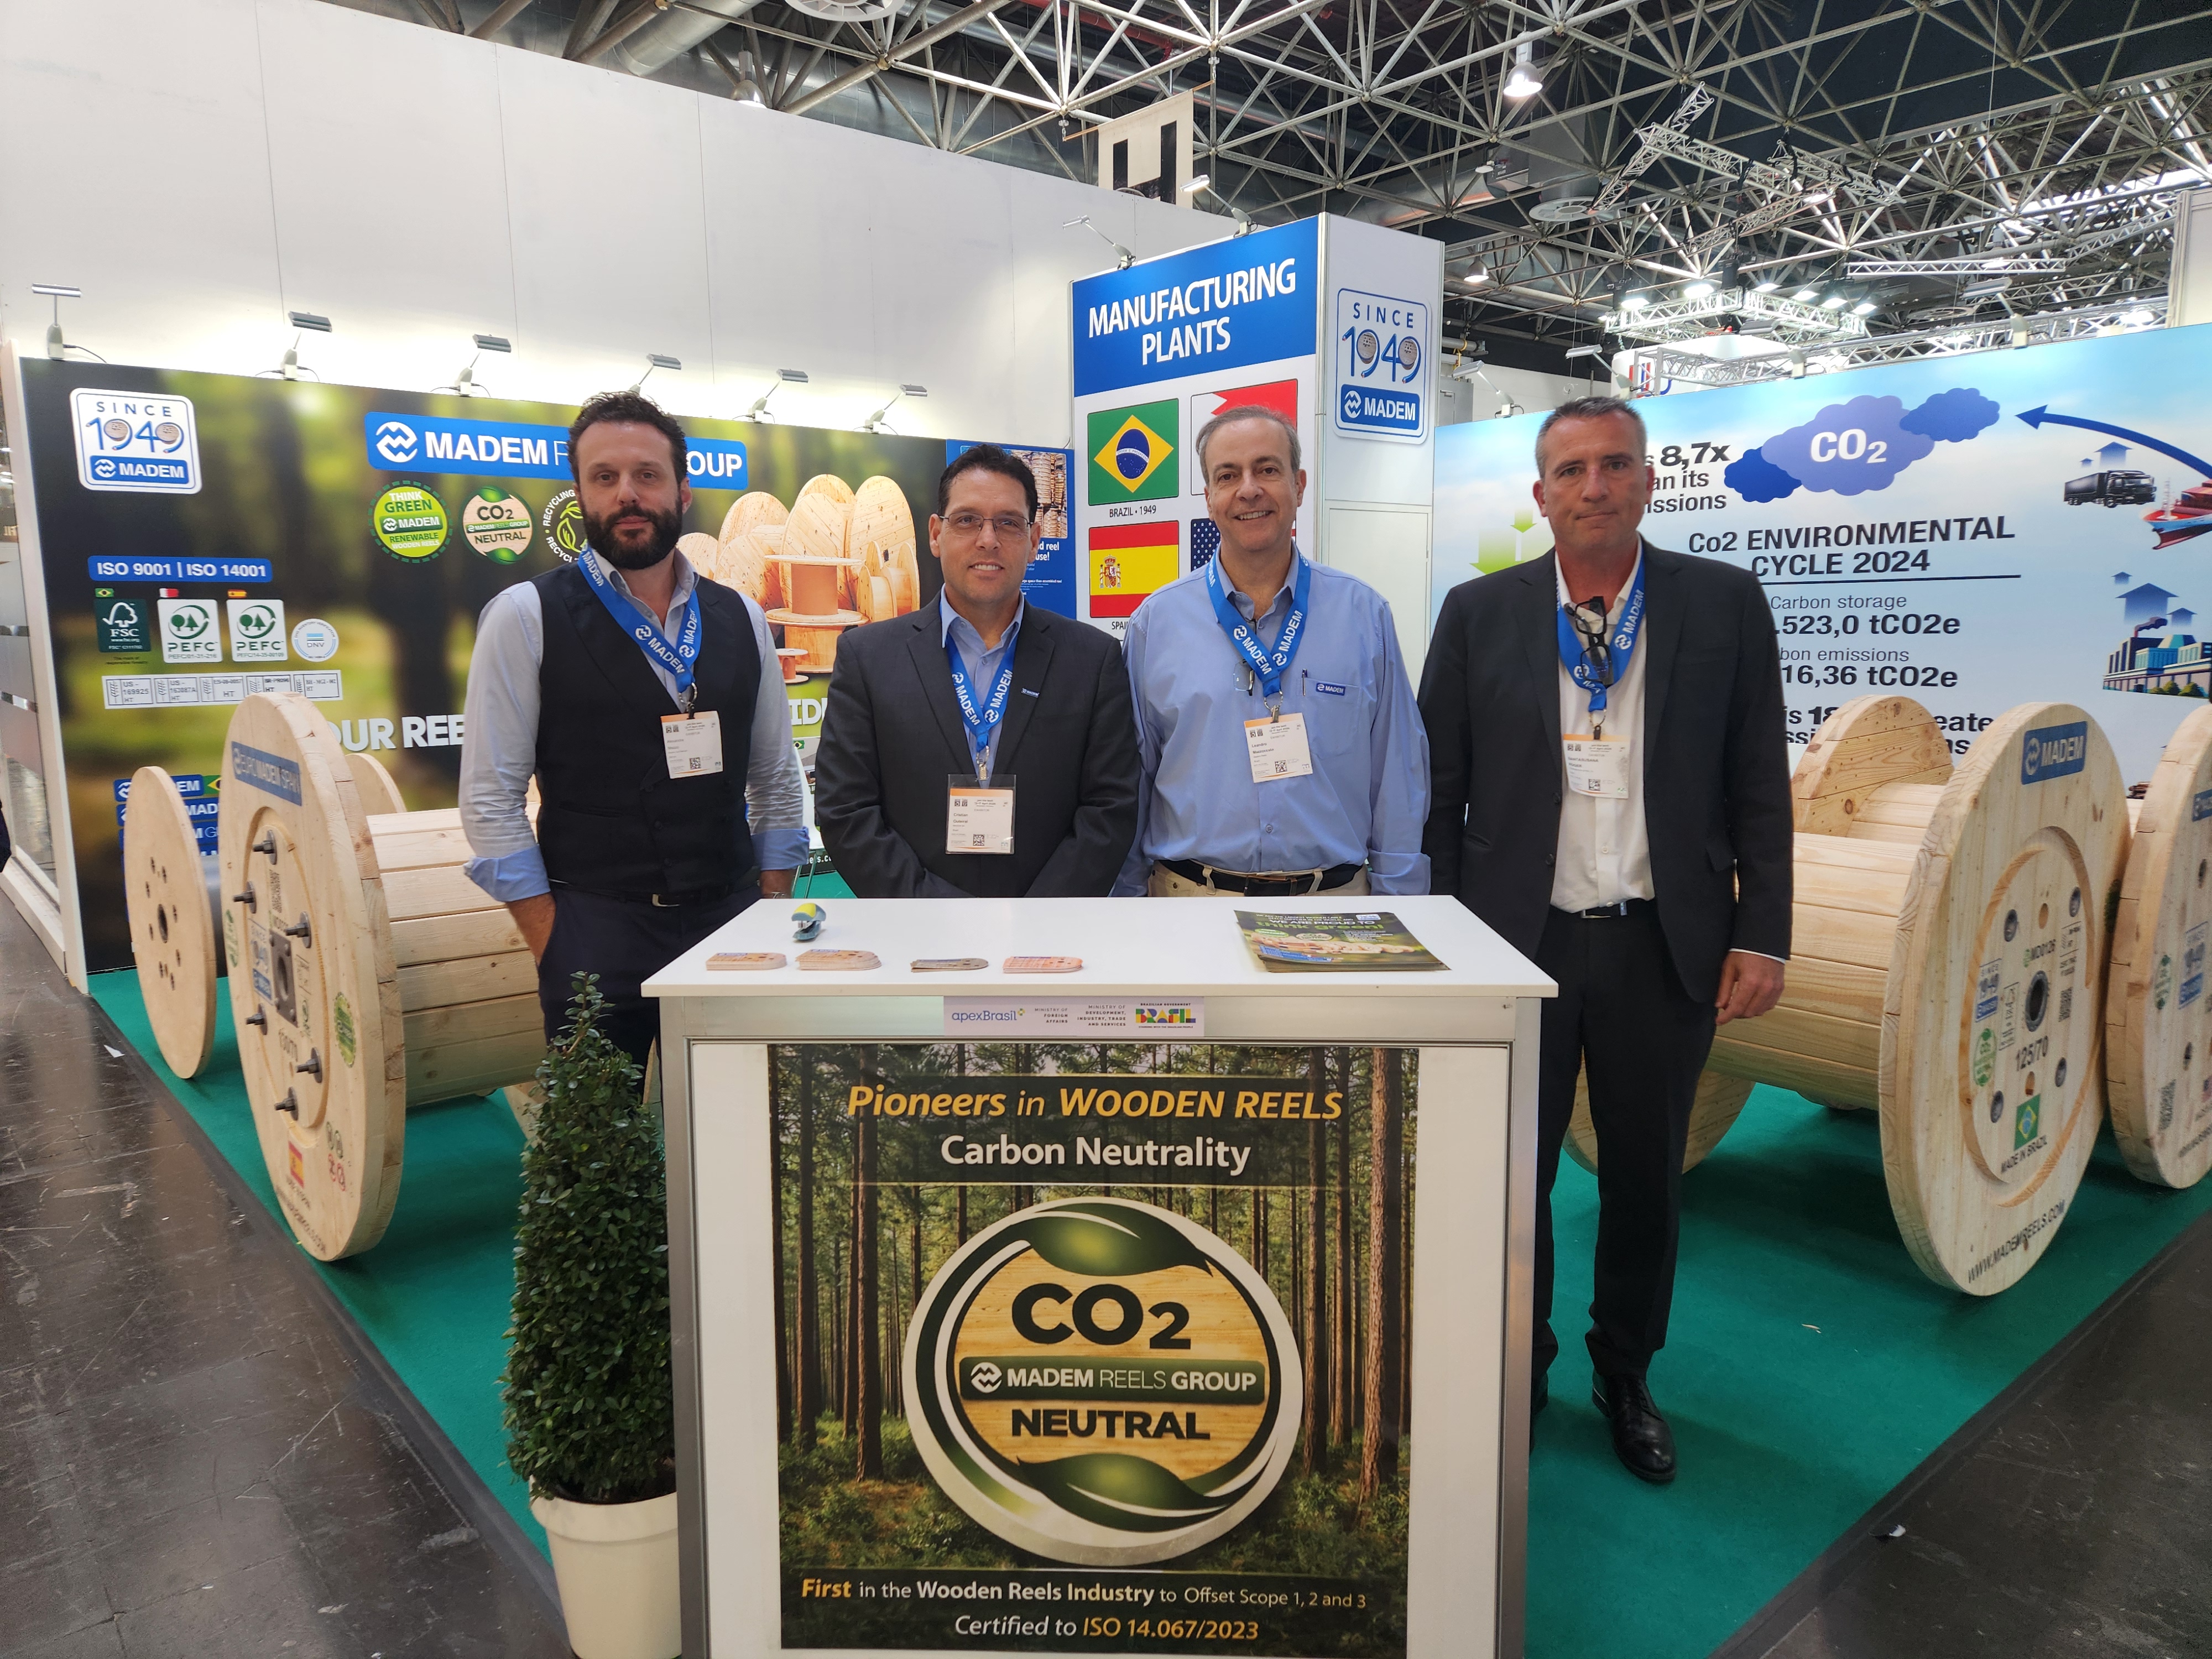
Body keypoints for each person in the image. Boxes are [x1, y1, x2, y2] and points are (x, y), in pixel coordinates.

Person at [1419, 394, 1791, 1483]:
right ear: (1539, 495)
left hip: (1660, 944)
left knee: (1644, 1179)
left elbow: (1757, 780)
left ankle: (1624, 1371)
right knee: (1509, 1176)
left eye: (1615, 465)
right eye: (1572, 470)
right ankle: (1518, 1363)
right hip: (1512, 945)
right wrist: (1441, 938)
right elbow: (1436, 793)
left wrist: (1763, 931)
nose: (1595, 486)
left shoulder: (1720, 603)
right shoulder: (1477, 613)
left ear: (1647, 481)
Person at [459, 390, 806, 1067]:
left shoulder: (742, 617)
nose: (627, 494)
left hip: (732, 923)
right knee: (596, 1128)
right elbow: (489, 799)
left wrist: (769, 905)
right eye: (604, 477)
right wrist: (554, 942)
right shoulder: (524, 617)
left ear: (682, 491)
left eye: (647, 475)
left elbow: (775, 776)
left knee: (738, 1114)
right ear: (580, 495)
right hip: (594, 933)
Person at [1114, 406, 1428, 899]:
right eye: (1227, 475)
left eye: (1267, 469)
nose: (1249, 490)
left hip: (1336, 908)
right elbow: (1131, 782)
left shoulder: (1365, 616)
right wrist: (1125, 906)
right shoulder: (1156, 624)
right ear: (1209, 498)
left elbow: (1397, 775)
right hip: (1188, 904)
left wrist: (1402, 903)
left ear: (1298, 486)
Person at [813, 445, 1139, 896]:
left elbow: (1110, 808)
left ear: (1035, 540)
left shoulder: (1092, 660)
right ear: (936, 534)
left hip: (1049, 927)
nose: (988, 539)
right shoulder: (867, 658)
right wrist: (939, 912)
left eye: (1008, 523)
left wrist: (1036, 918)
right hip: (916, 925)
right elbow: (846, 810)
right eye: (967, 520)